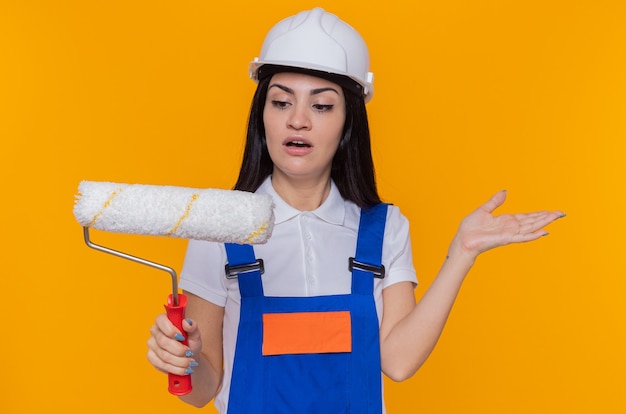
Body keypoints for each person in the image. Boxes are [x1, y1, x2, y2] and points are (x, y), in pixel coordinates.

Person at [146, 7, 564, 413]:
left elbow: (398, 362)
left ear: (348, 122)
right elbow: (201, 391)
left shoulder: (382, 229)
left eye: (322, 105)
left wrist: (462, 253)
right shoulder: (219, 228)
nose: (298, 120)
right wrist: (186, 357)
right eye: (281, 102)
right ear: (262, 116)